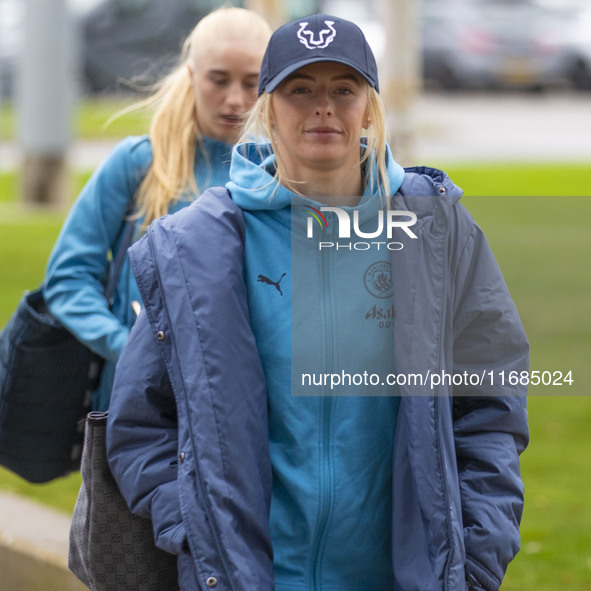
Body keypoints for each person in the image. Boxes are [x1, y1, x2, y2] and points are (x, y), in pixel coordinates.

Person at [106, 14, 530, 591]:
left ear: (369, 109)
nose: (322, 107)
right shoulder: (195, 247)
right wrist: (196, 529)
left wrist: (477, 552)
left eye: (343, 89)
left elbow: (490, 403)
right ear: (267, 109)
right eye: (300, 90)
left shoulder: (436, 230)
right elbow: (141, 422)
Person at [42, 6, 272, 411]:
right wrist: (128, 350)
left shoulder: (282, 174)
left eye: (252, 83)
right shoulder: (137, 163)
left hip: (241, 409)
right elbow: (68, 278)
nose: (235, 99)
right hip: (137, 409)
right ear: (191, 75)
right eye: (218, 80)